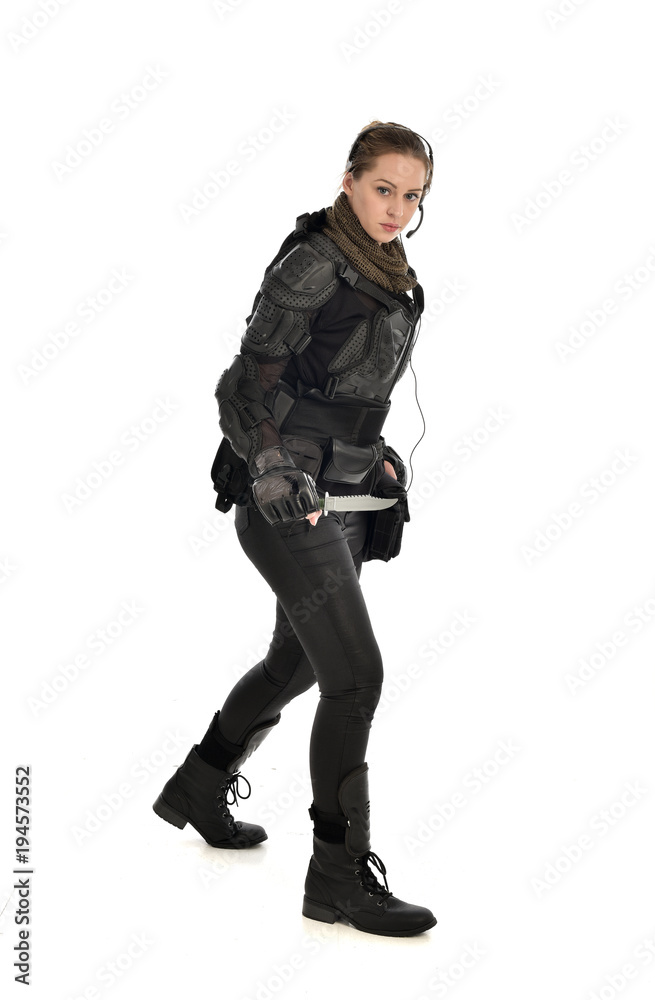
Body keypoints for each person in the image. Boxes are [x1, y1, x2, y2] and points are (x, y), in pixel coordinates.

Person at [153, 120, 437, 937]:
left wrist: (375, 455)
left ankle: (201, 785)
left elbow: (339, 381)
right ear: (348, 180)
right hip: (287, 500)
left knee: (295, 664)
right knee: (357, 678)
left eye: (412, 195)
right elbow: (243, 388)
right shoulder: (316, 261)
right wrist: (276, 472)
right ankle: (339, 878)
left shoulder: (387, 268)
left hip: (342, 491)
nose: (397, 207)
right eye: (383, 187)